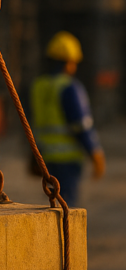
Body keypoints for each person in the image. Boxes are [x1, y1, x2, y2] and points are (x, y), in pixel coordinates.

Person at [30, 31, 106, 206]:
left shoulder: (38, 86)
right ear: (70, 62)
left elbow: (31, 124)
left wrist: (32, 156)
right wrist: (95, 153)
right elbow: (81, 126)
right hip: (68, 161)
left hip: (46, 157)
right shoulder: (70, 88)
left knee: (52, 203)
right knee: (66, 207)